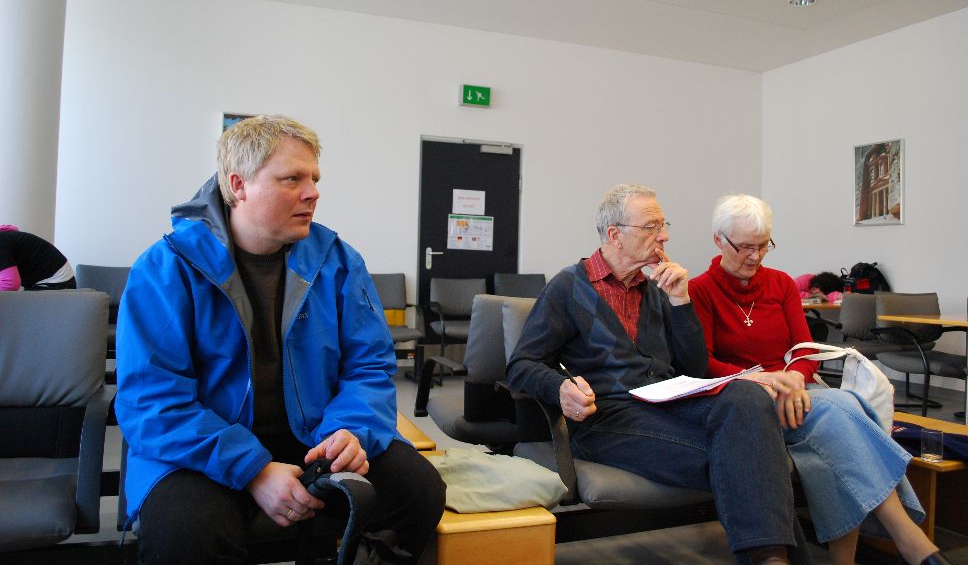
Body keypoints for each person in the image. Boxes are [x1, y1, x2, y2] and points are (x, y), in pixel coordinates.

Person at [115, 115, 445, 564]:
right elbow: (151, 402)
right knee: (186, 534)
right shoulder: (165, 269)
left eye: (314, 179)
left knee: (419, 491)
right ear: (239, 185)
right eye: (292, 179)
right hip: (202, 447)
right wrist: (253, 470)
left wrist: (350, 431)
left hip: (315, 436)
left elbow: (369, 366)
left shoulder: (338, 261)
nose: (312, 193)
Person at [506, 183, 808, 565]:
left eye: (664, 225)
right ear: (615, 234)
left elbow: (694, 368)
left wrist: (681, 300)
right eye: (651, 226)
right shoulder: (568, 287)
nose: (664, 235)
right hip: (608, 418)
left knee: (748, 394)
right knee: (748, 454)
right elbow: (521, 365)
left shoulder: (655, 290)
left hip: (667, 402)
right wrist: (560, 387)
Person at [689, 193, 950, 565]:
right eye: (745, 247)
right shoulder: (699, 290)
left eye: (763, 246)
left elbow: (804, 349)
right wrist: (770, 381)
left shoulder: (781, 284)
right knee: (845, 406)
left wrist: (794, 378)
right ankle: (909, 538)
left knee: (828, 449)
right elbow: (705, 365)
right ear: (718, 240)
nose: (755, 256)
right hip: (747, 400)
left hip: (796, 393)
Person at [0, 225, 76, 290]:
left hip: (57, 283)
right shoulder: (5, 238)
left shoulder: (2, 240)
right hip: (57, 282)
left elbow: (10, 283)